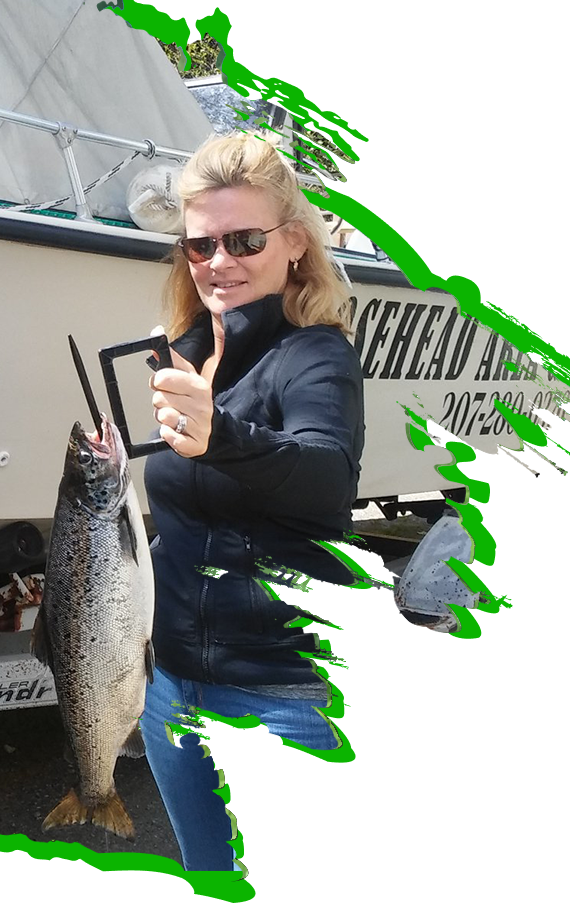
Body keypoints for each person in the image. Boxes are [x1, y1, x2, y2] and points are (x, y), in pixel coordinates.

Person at [137, 133, 365, 872]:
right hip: (172, 691)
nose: (218, 262)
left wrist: (220, 435)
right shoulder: (184, 349)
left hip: (277, 694)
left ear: (293, 242)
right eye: (199, 246)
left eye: (242, 240)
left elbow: (326, 480)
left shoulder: (315, 354)